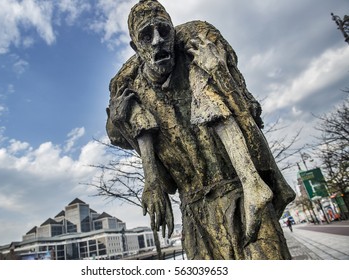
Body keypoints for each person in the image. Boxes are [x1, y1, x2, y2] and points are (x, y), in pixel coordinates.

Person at [106, 0, 295, 259]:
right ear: (135, 47)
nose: (158, 41)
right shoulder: (131, 87)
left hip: (241, 192)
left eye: (164, 30)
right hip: (195, 212)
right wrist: (151, 180)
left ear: (173, 31)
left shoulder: (197, 52)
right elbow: (117, 133)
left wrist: (220, 73)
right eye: (146, 35)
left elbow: (245, 106)